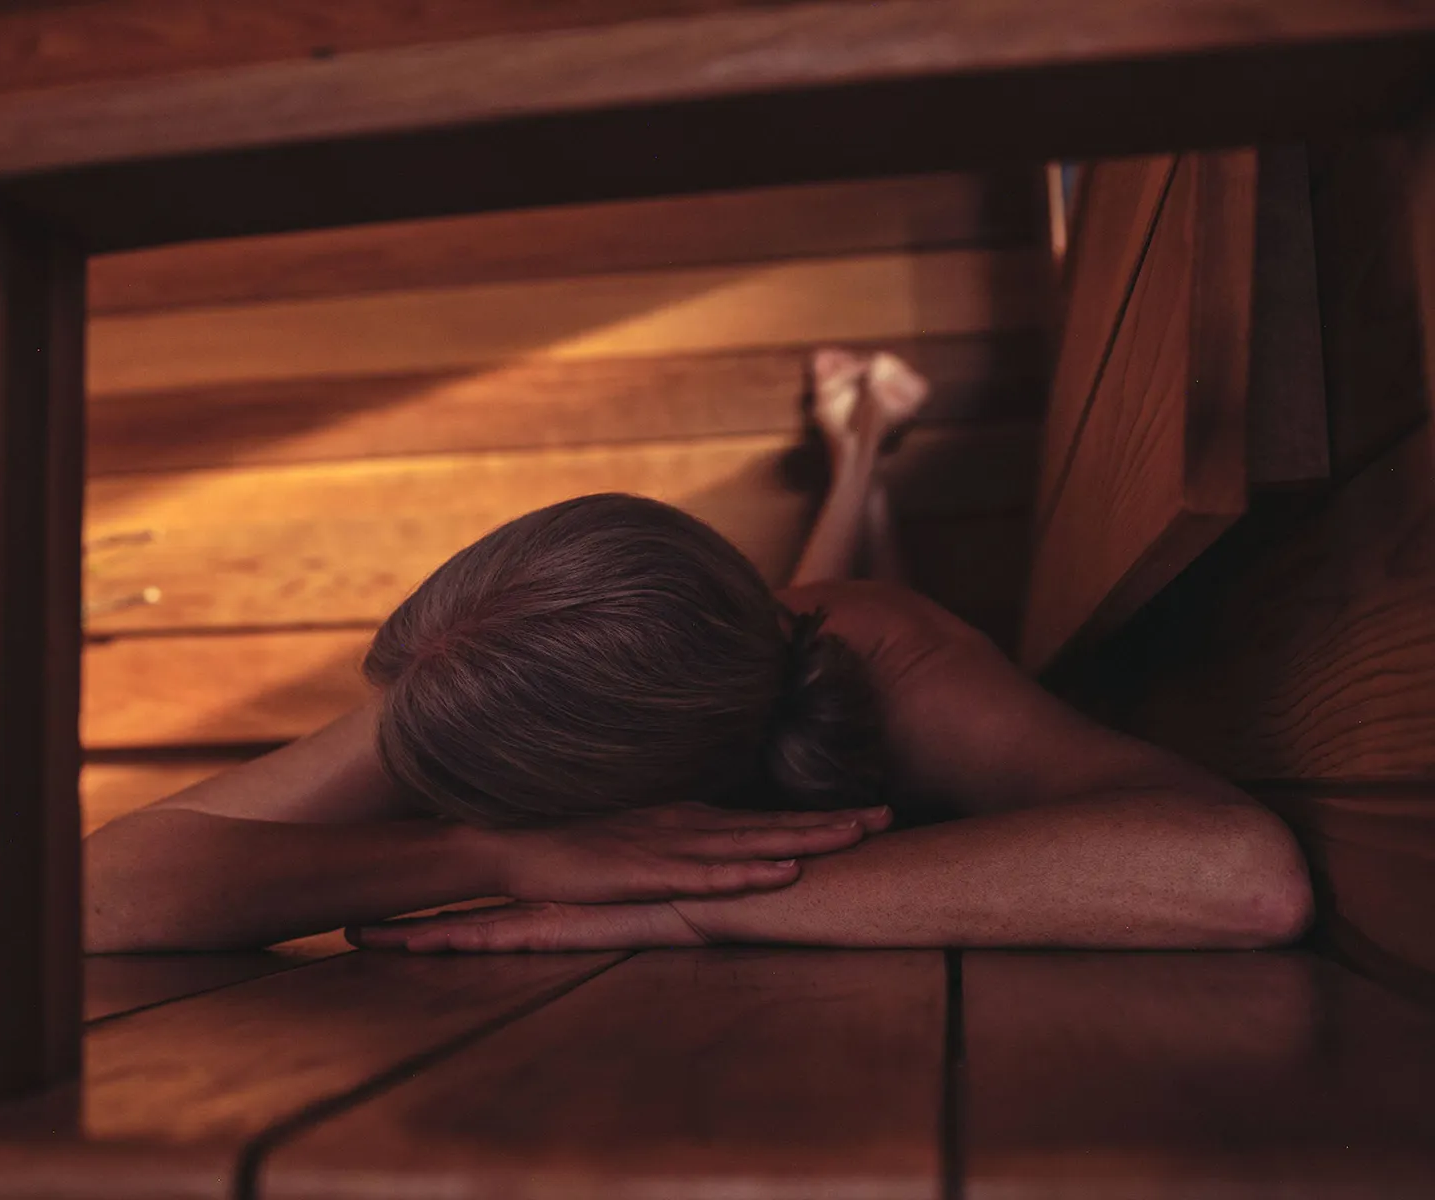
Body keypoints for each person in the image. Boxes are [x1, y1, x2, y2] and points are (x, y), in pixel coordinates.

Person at [85, 350, 1312, 955]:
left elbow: (1239, 876)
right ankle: (860, 452)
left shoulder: (904, 667)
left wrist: (679, 912)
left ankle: (865, 443)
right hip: (750, 634)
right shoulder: (479, 680)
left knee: (862, 594)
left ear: (628, 778)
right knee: (821, 585)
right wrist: (485, 850)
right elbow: (99, 897)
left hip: (837, 638)